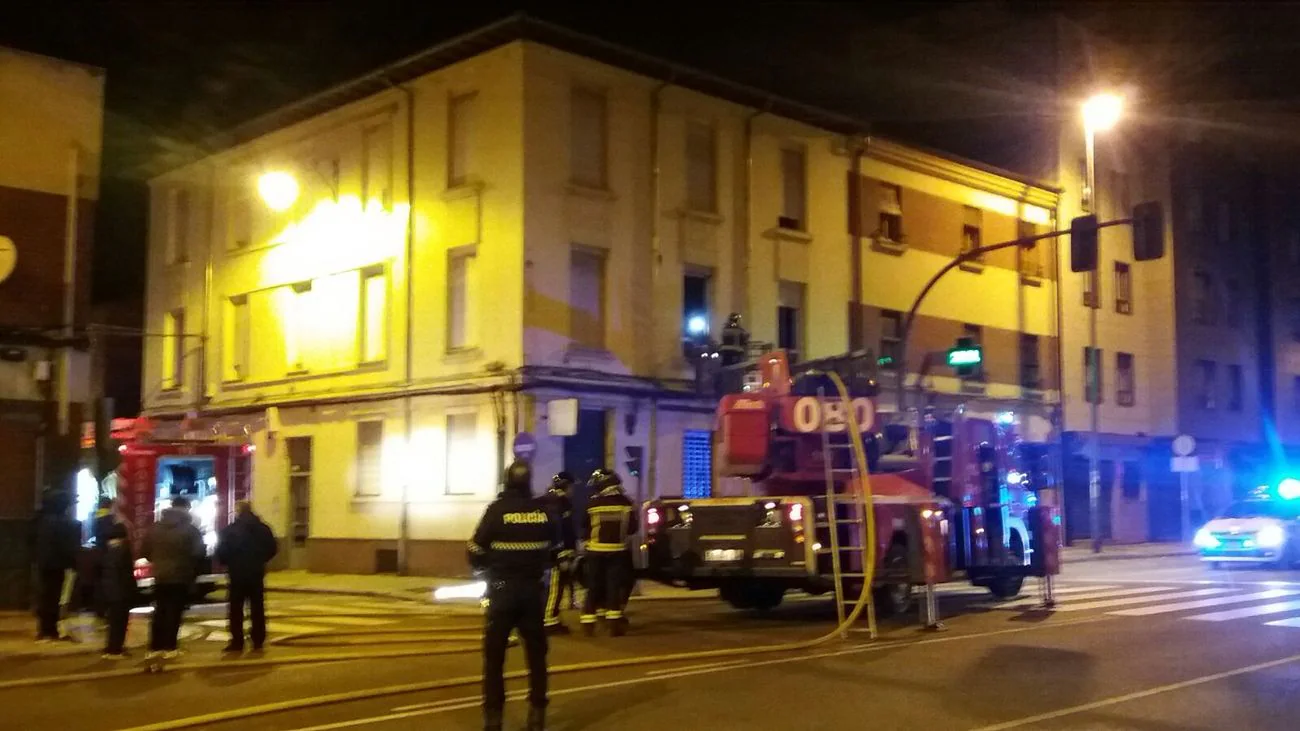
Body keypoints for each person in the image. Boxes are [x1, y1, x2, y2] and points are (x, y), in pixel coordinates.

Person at [469, 460, 560, 731]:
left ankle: (494, 720)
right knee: (536, 656)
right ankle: (536, 716)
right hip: (532, 593)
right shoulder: (542, 512)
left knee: (495, 658)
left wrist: (486, 571)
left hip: (502, 592)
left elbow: (475, 550)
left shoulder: (496, 511)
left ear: (507, 480)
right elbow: (554, 551)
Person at [141, 496, 204, 661]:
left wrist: (159, 561)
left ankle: (155, 647)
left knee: (159, 612)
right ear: (186, 509)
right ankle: (170, 647)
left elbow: (145, 552)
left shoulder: (154, 528)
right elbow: (199, 553)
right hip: (181, 576)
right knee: (174, 613)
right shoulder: (190, 530)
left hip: (160, 576)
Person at [579, 469, 638, 637]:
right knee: (614, 587)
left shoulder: (592, 504)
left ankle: (588, 624)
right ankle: (614, 625)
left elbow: (584, 526)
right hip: (618, 552)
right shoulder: (626, 503)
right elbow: (633, 528)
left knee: (593, 587)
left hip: (595, 551)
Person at [216, 500, 278, 654]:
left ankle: (237, 641)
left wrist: (228, 563)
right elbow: (272, 549)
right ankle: (258, 640)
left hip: (236, 574)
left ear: (238, 511)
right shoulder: (263, 529)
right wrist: (260, 560)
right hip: (256, 573)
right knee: (257, 607)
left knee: (236, 609)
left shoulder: (230, 530)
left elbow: (221, 553)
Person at [31, 489, 80, 643]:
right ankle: (50, 630)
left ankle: (44, 630)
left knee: (44, 596)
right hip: (57, 564)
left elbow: (30, 542)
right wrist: (73, 562)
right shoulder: (63, 523)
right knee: (53, 598)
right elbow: (66, 546)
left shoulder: (40, 520)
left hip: (42, 563)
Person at [541, 472, 577, 633]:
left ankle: (547, 617)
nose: (573, 490)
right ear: (567, 486)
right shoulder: (561, 503)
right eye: (572, 486)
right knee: (556, 586)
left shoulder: (544, 500)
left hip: (543, 551)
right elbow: (563, 530)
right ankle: (549, 620)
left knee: (547, 586)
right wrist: (565, 553)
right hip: (556, 552)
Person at [99, 522, 136, 659]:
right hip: (121, 591)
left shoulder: (106, 550)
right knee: (120, 622)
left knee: (112, 621)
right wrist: (133, 590)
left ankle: (110, 648)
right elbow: (126, 574)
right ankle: (116, 649)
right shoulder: (123, 550)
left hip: (108, 590)